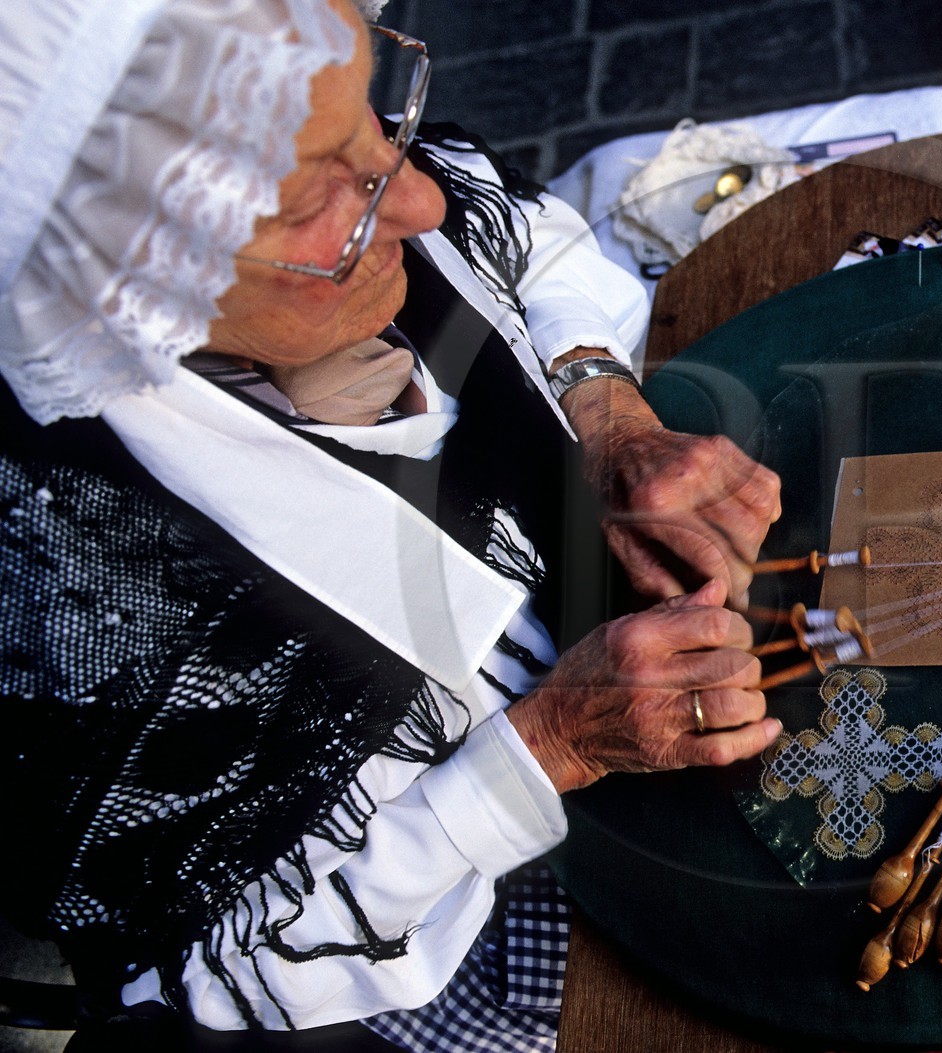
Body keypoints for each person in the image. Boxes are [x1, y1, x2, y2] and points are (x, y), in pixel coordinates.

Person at [0, 0, 782, 1048]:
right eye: (327, 187)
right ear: (131, 272)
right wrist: (551, 744)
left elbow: (513, 233)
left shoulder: (347, 173)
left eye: (376, 124)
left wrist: (604, 410)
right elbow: (220, 980)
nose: (414, 196)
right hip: (476, 937)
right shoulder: (78, 600)